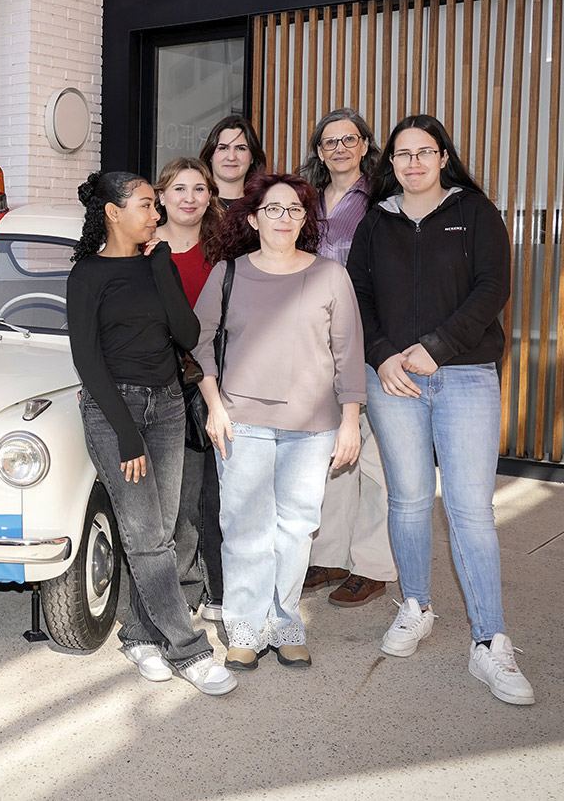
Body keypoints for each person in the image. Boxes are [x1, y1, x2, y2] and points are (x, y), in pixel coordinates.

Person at [348, 114, 534, 705]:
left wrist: (437, 347)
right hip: (393, 379)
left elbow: (492, 288)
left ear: (443, 157)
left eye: (424, 152)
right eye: (402, 154)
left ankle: (490, 641)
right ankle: (416, 606)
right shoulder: (376, 222)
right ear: (391, 163)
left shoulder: (474, 212)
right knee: (406, 499)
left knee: (469, 509)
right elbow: (357, 296)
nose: (413, 163)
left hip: (465, 375)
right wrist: (382, 356)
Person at [67, 170, 236, 696]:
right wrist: (125, 434)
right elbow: (86, 360)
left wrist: (162, 267)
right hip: (114, 411)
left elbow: (187, 333)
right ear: (113, 213)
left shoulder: (157, 263)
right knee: (146, 536)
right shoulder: (87, 275)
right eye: (146, 205)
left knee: (160, 533)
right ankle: (190, 650)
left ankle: (140, 634)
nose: (156, 214)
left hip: (167, 405)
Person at [193, 172, 364, 671]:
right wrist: (214, 405)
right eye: (273, 209)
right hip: (241, 420)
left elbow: (348, 352)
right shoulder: (228, 273)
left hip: (312, 426)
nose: (284, 218)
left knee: (296, 528)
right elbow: (198, 343)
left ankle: (286, 620)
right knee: (244, 528)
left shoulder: (331, 275)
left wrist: (350, 420)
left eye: (294, 209)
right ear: (253, 219)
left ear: (305, 219)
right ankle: (245, 627)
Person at [300, 109, 397, 608]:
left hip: (370, 336)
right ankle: (331, 555)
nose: (339, 148)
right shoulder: (305, 200)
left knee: (377, 457)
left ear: (364, 145)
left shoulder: (380, 197)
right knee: (333, 453)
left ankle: (373, 564)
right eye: (329, 142)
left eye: (348, 140)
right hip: (318, 340)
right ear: (319, 152)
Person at [152, 157, 224, 622]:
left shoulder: (223, 252)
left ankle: (214, 586)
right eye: (179, 188)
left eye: (199, 189)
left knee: (212, 493)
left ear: (210, 197)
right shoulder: (143, 248)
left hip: (215, 379)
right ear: (161, 196)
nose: (189, 198)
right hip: (163, 381)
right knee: (174, 495)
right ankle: (179, 590)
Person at [197, 114, 266, 202]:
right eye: (223, 148)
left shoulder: (263, 204)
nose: (231, 157)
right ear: (210, 155)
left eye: (240, 148)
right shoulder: (194, 203)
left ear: (252, 157)